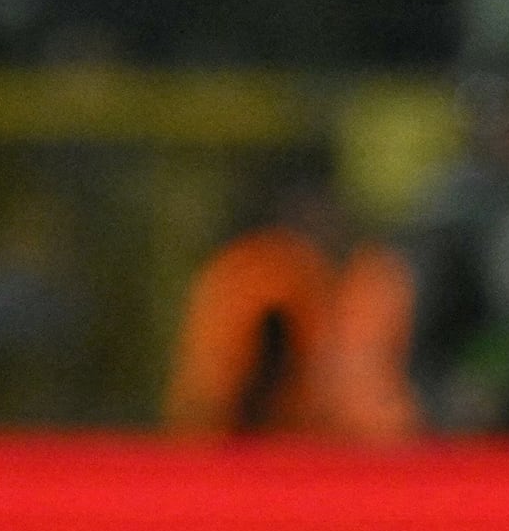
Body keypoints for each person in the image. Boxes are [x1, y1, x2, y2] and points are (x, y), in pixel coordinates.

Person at [164, 177, 420, 442]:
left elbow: (384, 403)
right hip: (255, 443)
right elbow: (209, 394)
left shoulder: (375, 275)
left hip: (358, 447)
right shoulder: (254, 275)